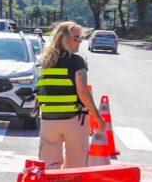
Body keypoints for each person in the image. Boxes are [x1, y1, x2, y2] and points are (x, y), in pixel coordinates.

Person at [36, 22, 104, 170]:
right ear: (64, 39)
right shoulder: (76, 61)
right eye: (77, 38)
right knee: (76, 166)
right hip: (74, 120)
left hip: (48, 120)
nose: (80, 42)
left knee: (49, 166)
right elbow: (82, 91)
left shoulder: (45, 61)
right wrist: (97, 116)